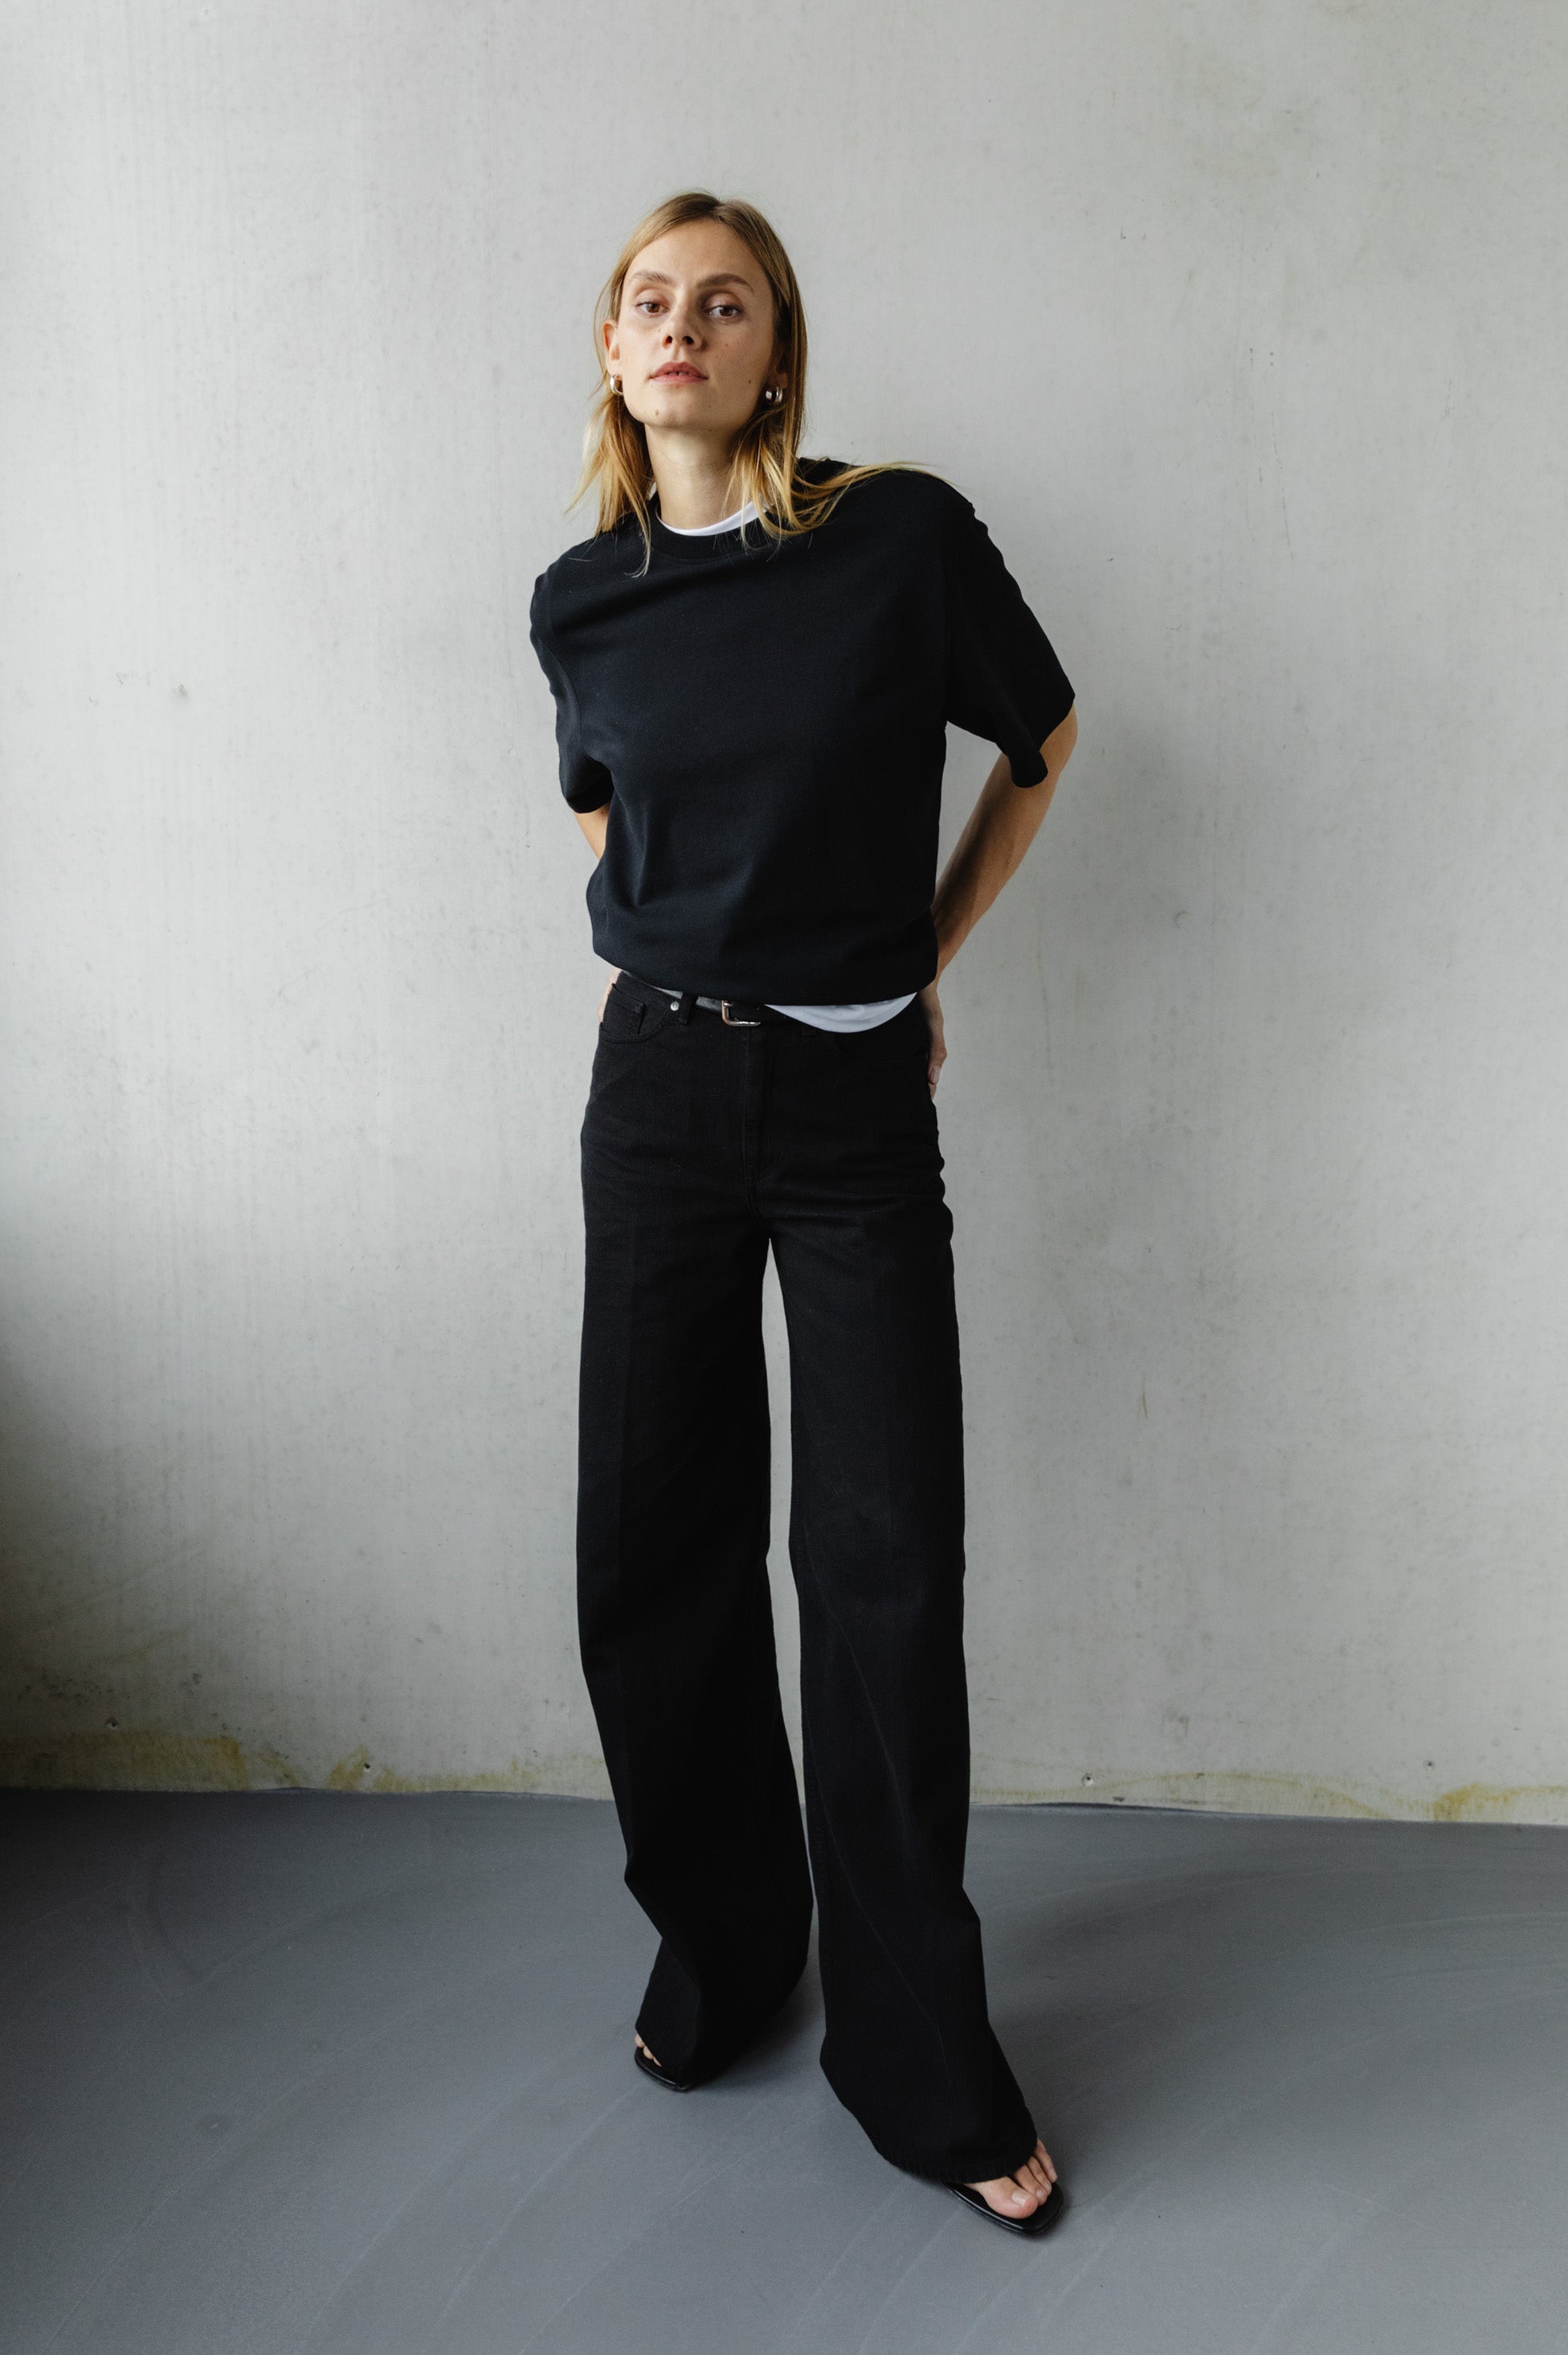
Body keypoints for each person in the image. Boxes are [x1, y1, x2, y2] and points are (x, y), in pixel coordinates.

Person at [528, 190, 1078, 2239]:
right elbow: (606, 814)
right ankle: (730, 1938)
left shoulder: (895, 537)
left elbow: (1042, 741)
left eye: (725, 301)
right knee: (648, 1541)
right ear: (612, 346)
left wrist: (915, 957)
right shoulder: (578, 600)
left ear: (778, 355)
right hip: (658, 1091)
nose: (684, 325)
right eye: (650, 299)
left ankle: (917, 2050)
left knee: (874, 1561)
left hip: (852, 1104)